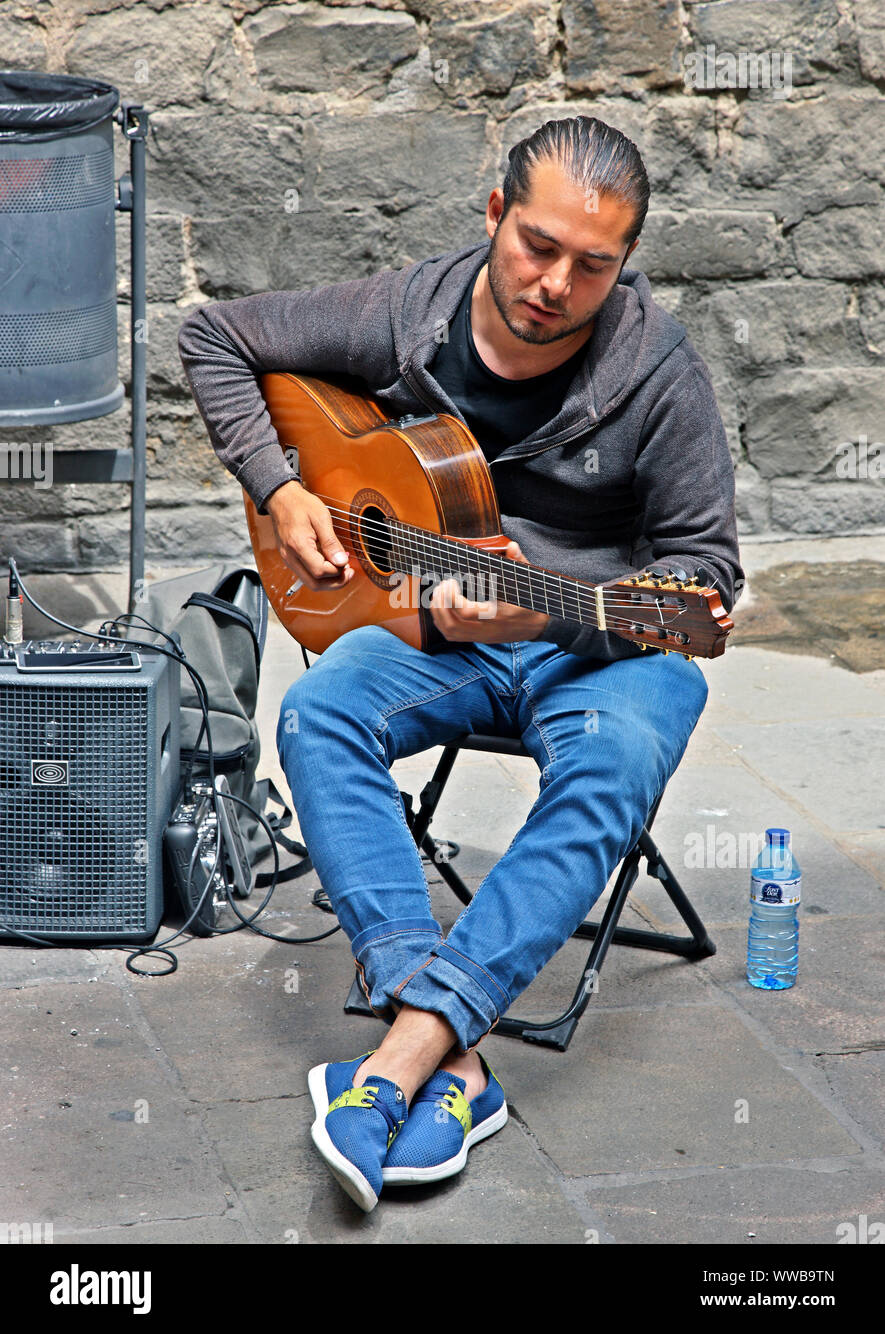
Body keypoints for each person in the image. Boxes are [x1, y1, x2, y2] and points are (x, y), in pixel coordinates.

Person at [179, 115, 744, 1213]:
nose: (555, 284)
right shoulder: (408, 316)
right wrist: (283, 490)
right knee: (322, 708)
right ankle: (457, 1057)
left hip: (608, 642)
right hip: (444, 635)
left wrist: (546, 621)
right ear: (494, 214)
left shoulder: (659, 372)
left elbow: (704, 578)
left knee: (616, 765)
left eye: (594, 265)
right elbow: (214, 339)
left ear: (625, 264)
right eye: (537, 245)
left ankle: (402, 1058)